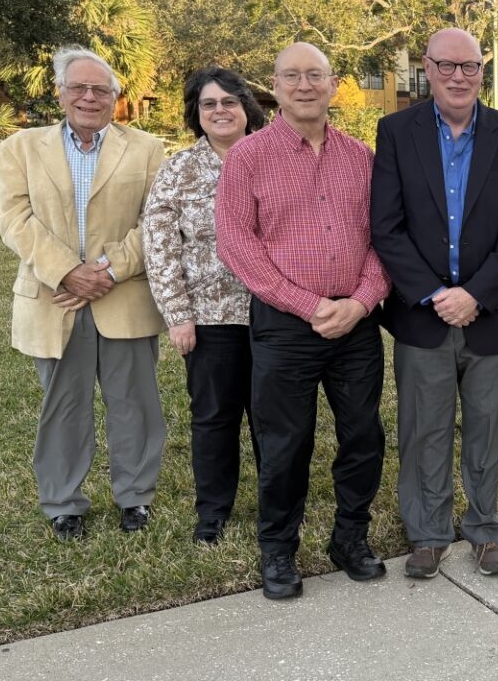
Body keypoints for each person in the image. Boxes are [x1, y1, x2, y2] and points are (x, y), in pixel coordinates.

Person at [215, 42, 391, 600]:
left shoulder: (362, 157)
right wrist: (306, 304)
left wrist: (361, 302)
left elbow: (385, 238)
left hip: (356, 321)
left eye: (315, 75)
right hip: (287, 324)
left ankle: (350, 538)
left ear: (333, 84)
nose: (304, 85)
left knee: (363, 435)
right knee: (285, 441)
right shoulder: (248, 157)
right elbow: (236, 243)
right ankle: (279, 551)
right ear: (275, 85)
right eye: (292, 76)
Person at [370, 28, 498, 578]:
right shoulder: (396, 131)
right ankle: (428, 532)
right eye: (447, 66)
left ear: (481, 72)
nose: (459, 77)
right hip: (424, 314)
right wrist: (438, 293)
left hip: (491, 314)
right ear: (428, 68)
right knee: (425, 428)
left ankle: (485, 527)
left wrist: (475, 295)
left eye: (469, 67)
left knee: (487, 426)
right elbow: (387, 228)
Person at [0, 45, 167, 541]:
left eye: (100, 90)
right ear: (60, 93)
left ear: (116, 97)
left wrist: (106, 270)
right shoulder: (21, 148)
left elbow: (153, 222)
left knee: (135, 403)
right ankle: (63, 502)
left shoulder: (147, 149)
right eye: (79, 88)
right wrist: (69, 271)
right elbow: (15, 220)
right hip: (55, 298)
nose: (89, 97)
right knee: (64, 405)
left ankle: (136, 497)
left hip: (124, 295)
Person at [142, 66, 267, 545]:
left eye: (229, 102)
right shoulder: (180, 168)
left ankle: (275, 502)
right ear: (197, 113)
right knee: (214, 418)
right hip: (210, 317)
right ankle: (213, 511)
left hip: (273, 311)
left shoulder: (271, 156)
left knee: (272, 416)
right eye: (208, 104)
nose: (220, 111)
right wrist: (178, 315)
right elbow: (159, 242)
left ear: (246, 107)